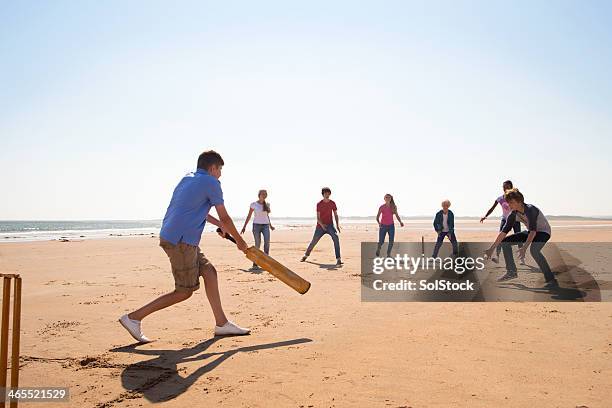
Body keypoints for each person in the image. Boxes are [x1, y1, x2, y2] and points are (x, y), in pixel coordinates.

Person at [119, 150, 251, 343]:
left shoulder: (187, 179)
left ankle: (222, 323)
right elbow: (225, 216)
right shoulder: (212, 182)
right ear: (213, 167)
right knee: (184, 291)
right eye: (220, 169)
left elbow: (201, 212)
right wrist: (239, 240)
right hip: (182, 241)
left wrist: (222, 228)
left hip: (175, 236)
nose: (220, 174)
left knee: (209, 272)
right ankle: (133, 318)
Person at [484, 188, 558, 288]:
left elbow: (533, 232)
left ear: (519, 201)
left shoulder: (530, 209)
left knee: (534, 251)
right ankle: (511, 272)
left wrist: (524, 248)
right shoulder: (513, 214)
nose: (509, 205)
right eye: (508, 203)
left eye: (511, 202)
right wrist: (491, 249)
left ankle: (550, 279)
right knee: (505, 242)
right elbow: (503, 233)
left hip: (543, 232)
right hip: (530, 232)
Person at [480, 180, 523, 264]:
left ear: (511, 187)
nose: (505, 188)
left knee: (519, 238)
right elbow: (492, 208)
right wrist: (485, 216)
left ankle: (522, 258)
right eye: (504, 187)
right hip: (505, 220)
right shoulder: (500, 198)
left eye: (507, 187)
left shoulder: (516, 198)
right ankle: (497, 256)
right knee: (500, 238)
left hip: (515, 219)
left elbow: (521, 207)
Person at [301, 187, 343, 266]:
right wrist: (322, 225)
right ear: (323, 194)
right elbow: (318, 217)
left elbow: (336, 215)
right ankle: (305, 255)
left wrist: (337, 225)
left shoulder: (332, 203)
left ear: (330, 194)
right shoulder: (319, 204)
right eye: (325, 194)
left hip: (330, 225)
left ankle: (338, 259)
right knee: (314, 241)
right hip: (320, 226)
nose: (327, 195)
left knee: (336, 238)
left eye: (328, 193)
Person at [241, 190, 275, 270]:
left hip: (266, 225)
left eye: (265, 194)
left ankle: (267, 261)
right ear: (259, 195)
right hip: (256, 226)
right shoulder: (254, 204)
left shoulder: (267, 204)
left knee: (267, 242)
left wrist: (270, 225)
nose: (264, 195)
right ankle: (255, 263)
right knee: (257, 244)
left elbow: (267, 216)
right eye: (262, 194)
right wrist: (244, 226)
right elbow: (249, 216)